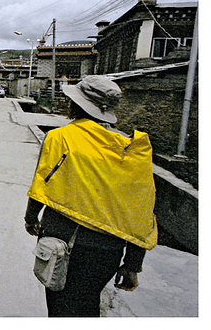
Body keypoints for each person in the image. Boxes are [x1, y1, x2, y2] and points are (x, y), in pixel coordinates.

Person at [24, 75, 157, 317]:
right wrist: (132, 264)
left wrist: (31, 217)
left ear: (76, 105)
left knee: (60, 307)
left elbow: (42, 183)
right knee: (87, 303)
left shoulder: (60, 137)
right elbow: (141, 209)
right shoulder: (130, 149)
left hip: (61, 242)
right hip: (106, 253)